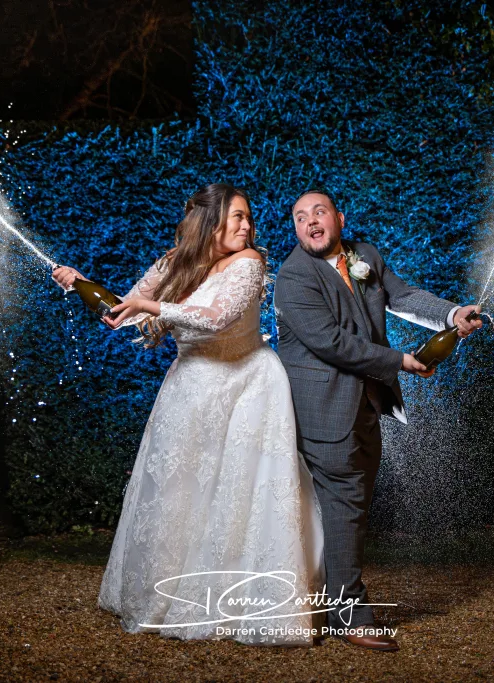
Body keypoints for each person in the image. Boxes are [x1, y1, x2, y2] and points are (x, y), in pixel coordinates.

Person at [51, 184, 324, 646]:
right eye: (236, 217)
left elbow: (216, 316)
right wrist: (80, 284)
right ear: (209, 222)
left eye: (248, 218)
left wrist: (151, 306)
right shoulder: (174, 261)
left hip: (247, 385)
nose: (246, 226)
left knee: (241, 490)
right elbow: (124, 312)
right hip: (190, 388)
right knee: (183, 491)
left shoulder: (249, 264)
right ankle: (171, 594)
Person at [273, 189, 483, 652]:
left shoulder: (366, 255)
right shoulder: (292, 277)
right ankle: (350, 613)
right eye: (300, 216)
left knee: (350, 505)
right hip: (322, 406)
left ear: (339, 218)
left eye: (319, 212)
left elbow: (404, 296)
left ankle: (328, 602)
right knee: (346, 500)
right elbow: (332, 343)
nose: (310, 221)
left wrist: (451, 314)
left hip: (365, 403)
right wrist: (401, 361)